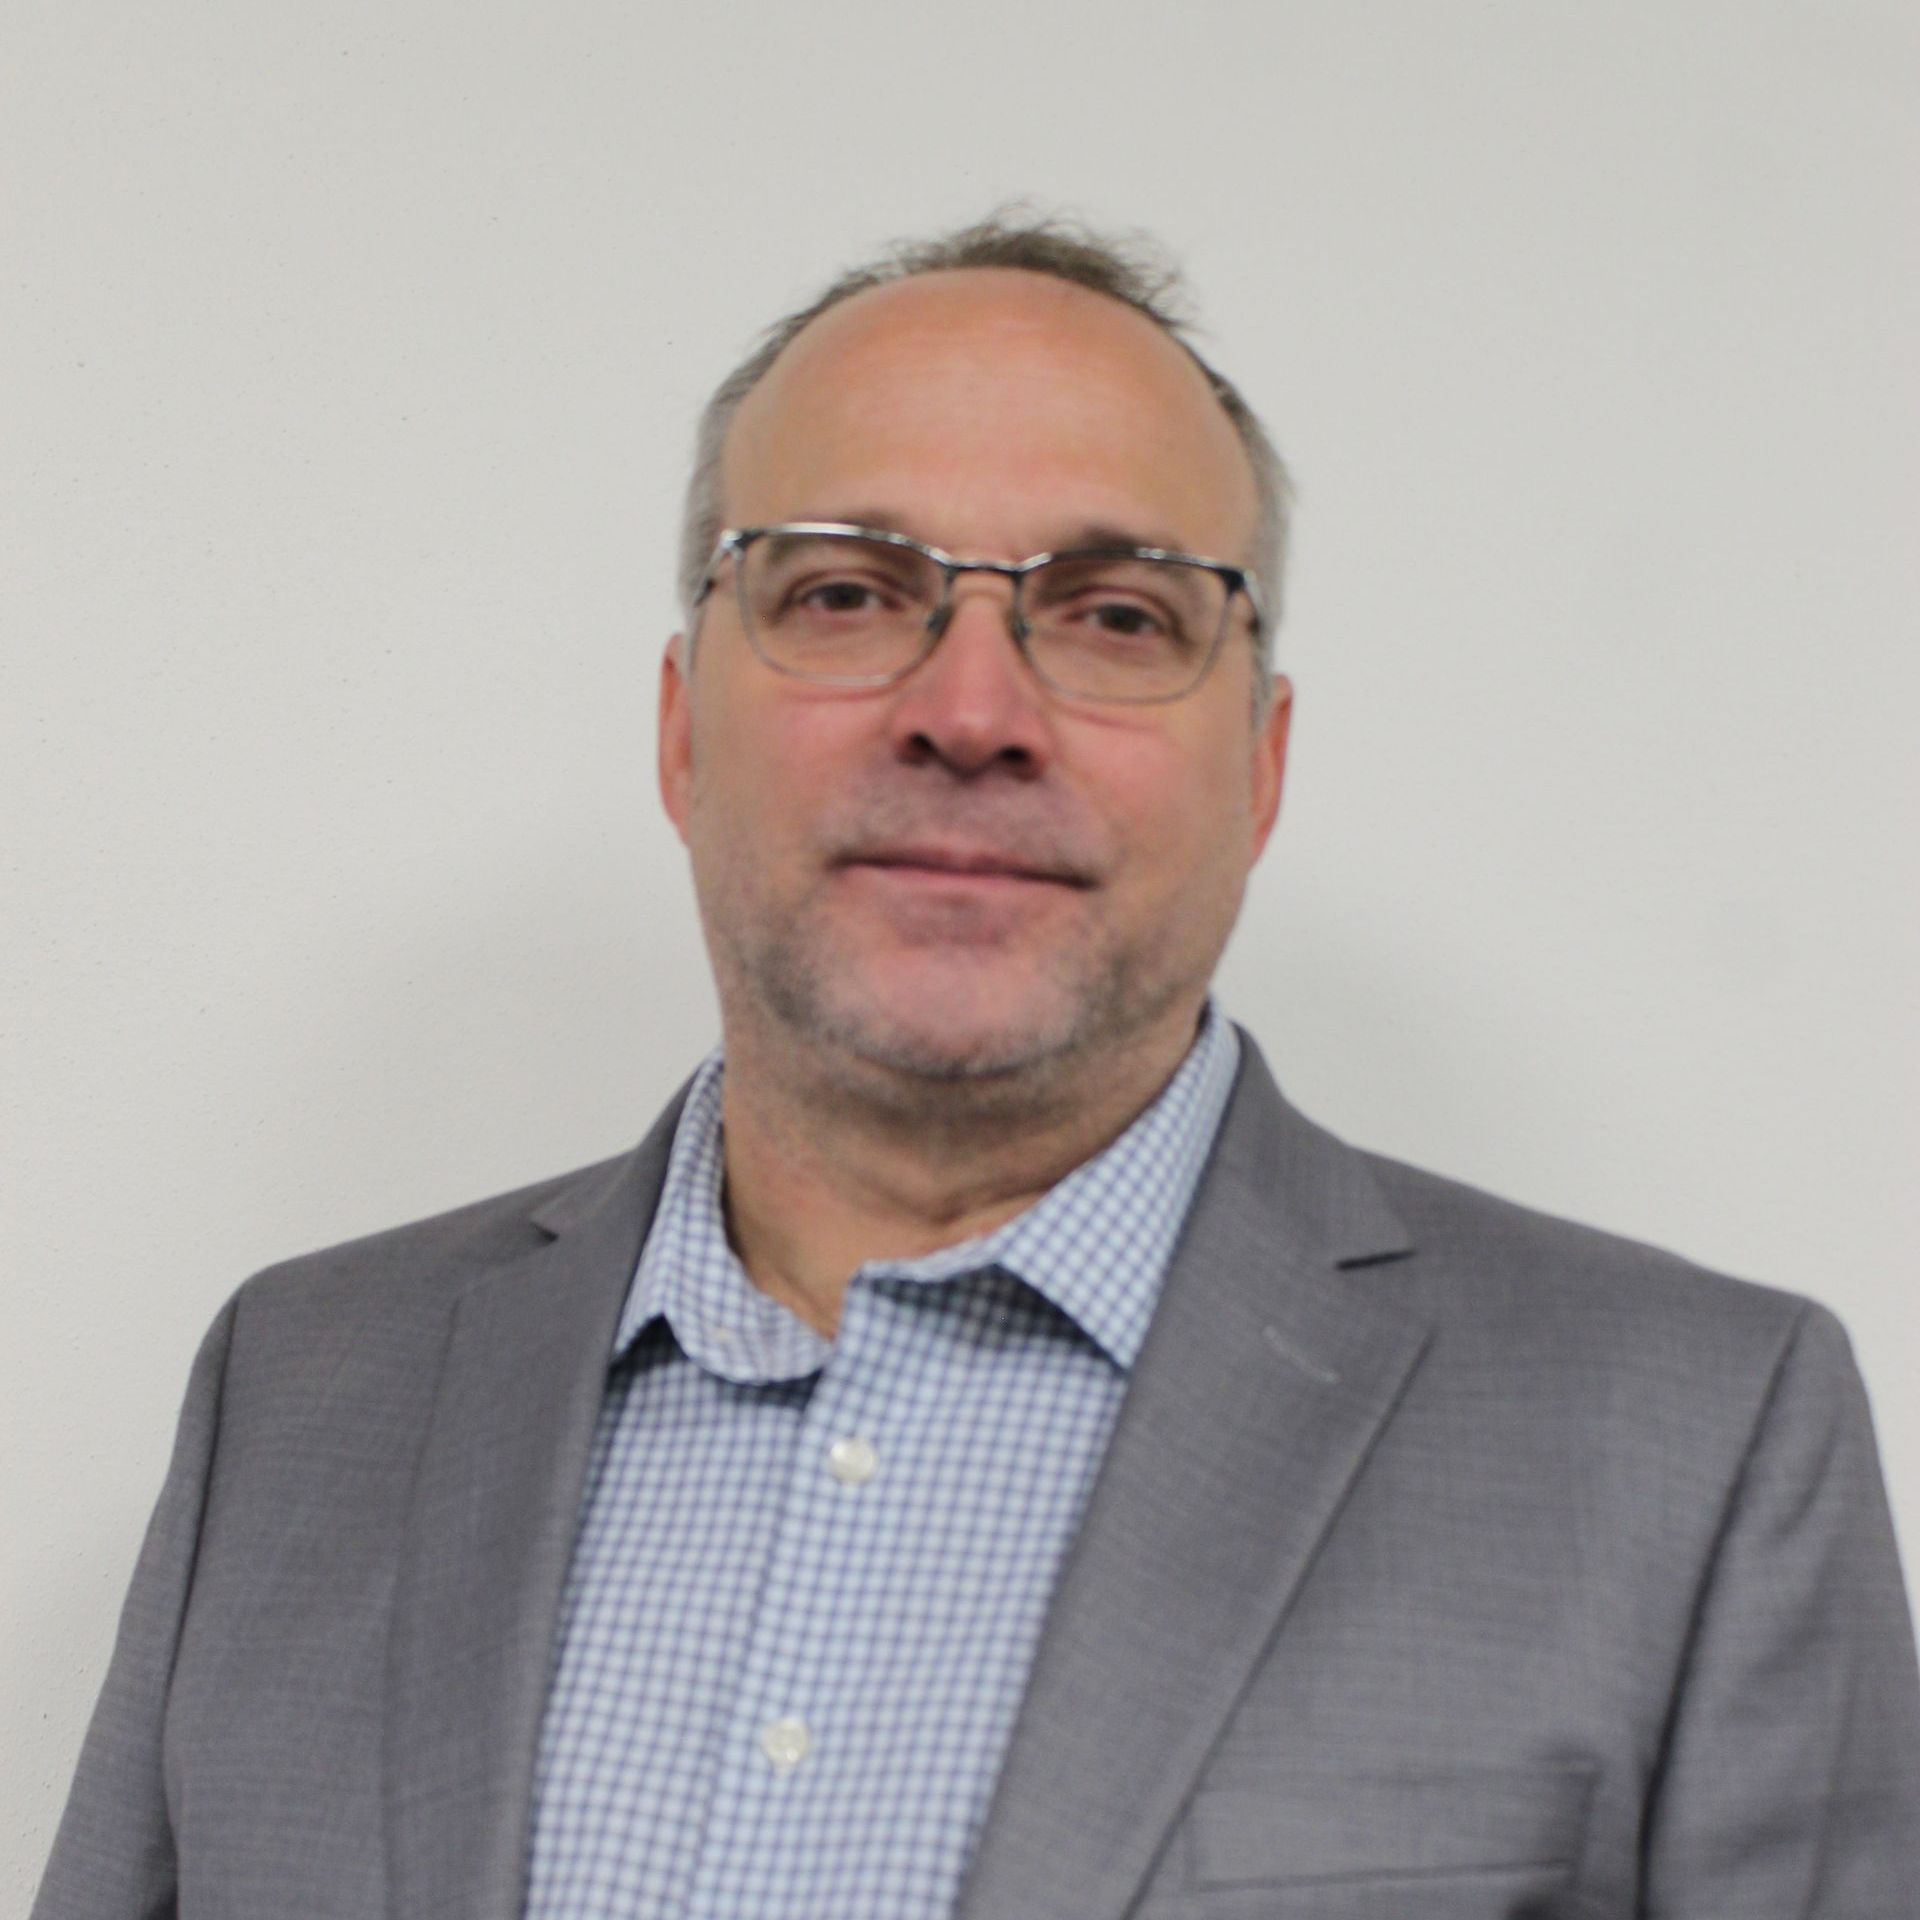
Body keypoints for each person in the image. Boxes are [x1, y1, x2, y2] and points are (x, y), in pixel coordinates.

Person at [33, 212, 1920, 1920]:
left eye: (1115, 616)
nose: (970, 711)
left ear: (1259, 770)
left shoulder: (1696, 1448)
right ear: (686, 731)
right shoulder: (304, 1394)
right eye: (847, 590)